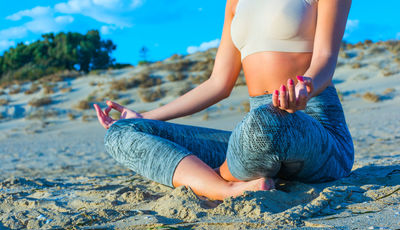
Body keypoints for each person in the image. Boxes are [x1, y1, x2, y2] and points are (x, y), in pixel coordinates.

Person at [94, 0, 354, 201]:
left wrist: (304, 89)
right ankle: (223, 188)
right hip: (255, 137)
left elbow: (325, 59)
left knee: (265, 125)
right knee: (121, 132)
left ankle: (212, 175)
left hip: (315, 131)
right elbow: (218, 83)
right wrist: (145, 117)